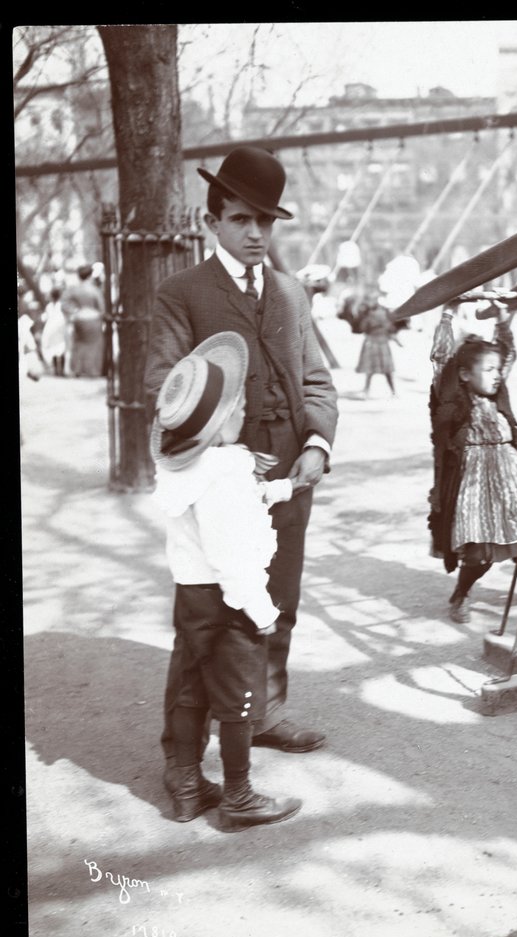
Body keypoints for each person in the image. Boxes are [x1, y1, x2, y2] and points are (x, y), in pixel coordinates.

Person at [146, 145, 338, 780]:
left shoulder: (290, 293)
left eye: (266, 221)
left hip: (290, 473)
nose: (256, 233)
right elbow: (163, 390)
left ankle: (263, 714)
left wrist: (316, 445)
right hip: (216, 477)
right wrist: (222, 454)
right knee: (207, 616)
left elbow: (318, 384)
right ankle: (184, 759)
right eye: (240, 219)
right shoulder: (182, 293)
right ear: (213, 222)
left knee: (275, 599)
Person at [150, 331, 301, 828]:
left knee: (192, 686)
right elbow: (230, 553)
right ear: (217, 426)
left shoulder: (189, 470)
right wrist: (260, 612)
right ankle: (239, 795)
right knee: (239, 698)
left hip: (192, 597)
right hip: (228, 600)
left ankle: (189, 786)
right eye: (236, 407)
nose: (243, 413)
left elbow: (219, 520)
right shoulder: (226, 472)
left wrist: (280, 489)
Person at [430, 335, 517, 623]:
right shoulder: (453, 404)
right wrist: (448, 314)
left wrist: (502, 320)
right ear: (464, 374)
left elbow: (507, 354)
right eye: (489, 370)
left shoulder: (498, 397)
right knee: (479, 554)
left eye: (498, 370)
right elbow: (440, 366)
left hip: (512, 484)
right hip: (476, 488)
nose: (497, 376)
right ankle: (461, 594)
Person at [63, 263, 106, 377]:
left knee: (79, 344)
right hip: (93, 318)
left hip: (79, 318)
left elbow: (64, 304)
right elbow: (101, 307)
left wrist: (75, 312)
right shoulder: (94, 290)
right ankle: (93, 371)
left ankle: (78, 369)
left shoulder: (73, 289)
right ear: (90, 275)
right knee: (95, 345)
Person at [354, 293, 398, 397]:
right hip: (383, 343)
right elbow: (390, 330)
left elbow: (362, 328)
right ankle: (393, 392)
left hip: (371, 342)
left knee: (369, 369)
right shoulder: (386, 316)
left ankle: (366, 391)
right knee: (387, 369)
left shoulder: (369, 316)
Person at [41, 286, 68, 377]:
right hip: (60, 326)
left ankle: (56, 370)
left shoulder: (49, 306)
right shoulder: (62, 305)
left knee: (54, 348)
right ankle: (62, 370)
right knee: (61, 347)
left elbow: (45, 317)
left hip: (51, 327)